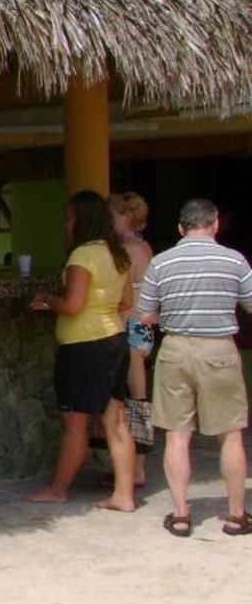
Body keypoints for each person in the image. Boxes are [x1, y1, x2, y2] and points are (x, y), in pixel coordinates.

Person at [136, 199, 252, 537]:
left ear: (180, 228)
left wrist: (172, 314)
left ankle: (181, 514)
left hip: (175, 350)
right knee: (230, 434)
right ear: (215, 224)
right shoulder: (234, 260)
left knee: (177, 435)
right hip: (220, 350)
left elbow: (144, 314)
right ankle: (236, 515)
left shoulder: (161, 262)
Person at [28, 190, 136, 511]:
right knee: (116, 421)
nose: (66, 224)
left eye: (70, 218)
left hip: (83, 347)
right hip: (114, 340)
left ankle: (58, 489)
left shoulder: (82, 256)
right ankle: (125, 495)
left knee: (75, 423)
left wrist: (47, 300)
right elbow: (126, 302)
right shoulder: (118, 254)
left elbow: (73, 305)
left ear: (82, 221)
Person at [110, 191, 155, 489]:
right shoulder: (143, 246)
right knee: (137, 399)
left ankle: (135, 469)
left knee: (134, 401)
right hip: (142, 328)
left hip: (130, 328)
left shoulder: (128, 251)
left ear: (126, 216)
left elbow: (124, 297)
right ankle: (135, 467)